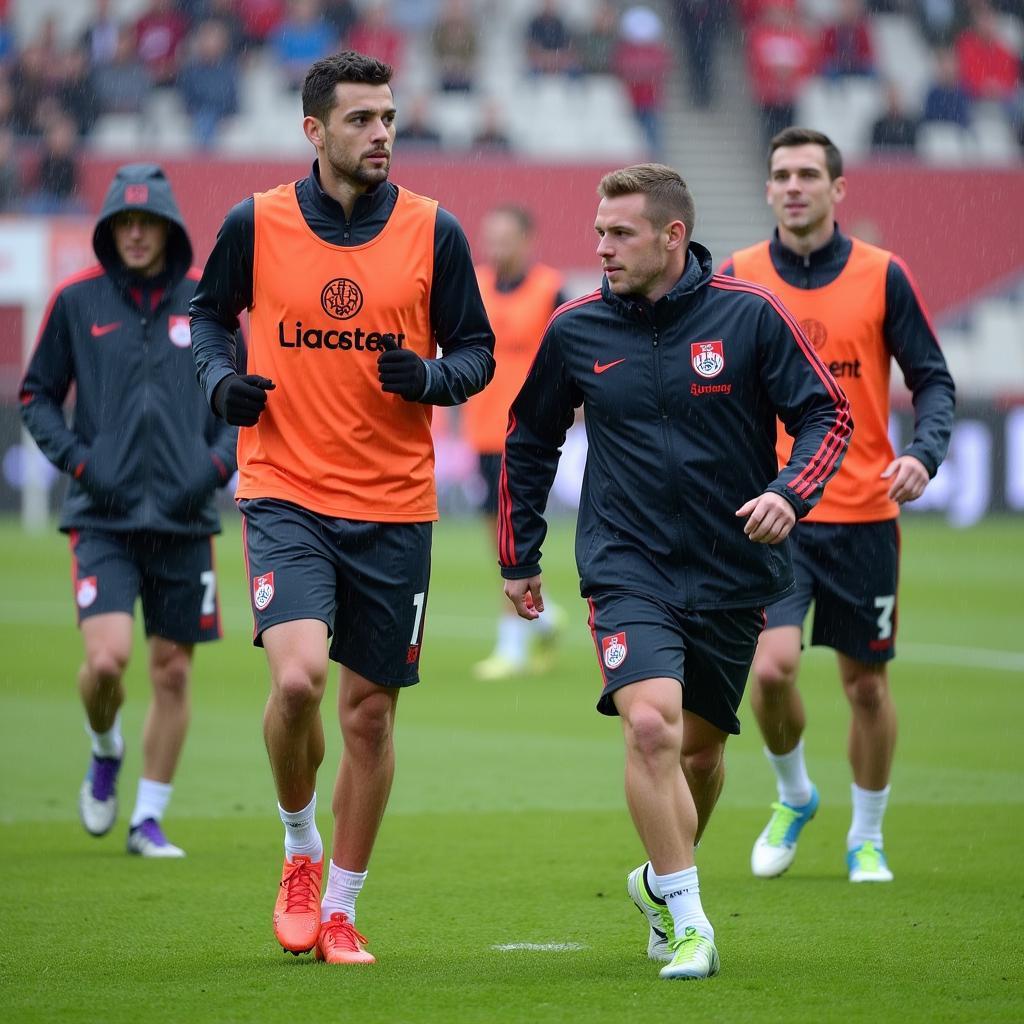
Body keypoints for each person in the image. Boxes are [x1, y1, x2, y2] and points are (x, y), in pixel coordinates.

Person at [499, 163, 851, 980]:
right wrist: (520, 556)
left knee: (697, 755)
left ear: (672, 236)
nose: (602, 248)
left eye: (620, 234)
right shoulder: (576, 329)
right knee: (650, 725)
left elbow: (826, 411)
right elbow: (529, 440)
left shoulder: (751, 315)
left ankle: (660, 883)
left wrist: (790, 493)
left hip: (734, 570)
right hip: (628, 566)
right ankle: (693, 923)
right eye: (598, 232)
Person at [190, 50, 494, 964]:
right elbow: (207, 317)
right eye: (362, 120)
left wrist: (434, 377)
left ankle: (341, 909)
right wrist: (218, 381)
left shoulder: (435, 231)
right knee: (297, 682)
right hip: (285, 489)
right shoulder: (258, 221)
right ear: (315, 131)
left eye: (390, 119)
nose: (382, 136)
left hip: (397, 505)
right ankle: (297, 850)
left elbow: (476, 351)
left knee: (368, 718)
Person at [721, 127, 955, 884]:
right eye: (781, 174)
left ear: (837, 188)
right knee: (771, 670)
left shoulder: (884, 276)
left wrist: (923, 453)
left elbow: (934, 380)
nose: (793, 186)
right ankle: (794, 795)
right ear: (767, 188)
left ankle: (867, 834)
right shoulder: (739, 277)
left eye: (808, 174)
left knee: (865, 685)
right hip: (773, 515)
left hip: (863, 516)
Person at [19, 163, 239, 858]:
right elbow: (36, 396)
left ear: (169, 228)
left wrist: (213, 467)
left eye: (148, 223)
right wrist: (83, 464)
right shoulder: (77, 302)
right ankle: (105, 744)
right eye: (124, 223)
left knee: (172, 670)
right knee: (108, 661)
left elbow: (242, 399)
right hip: (104, 518)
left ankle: (147, 818)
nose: (137, 234)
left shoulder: (207, 302)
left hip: (183, 519)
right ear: (110, 229)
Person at [462, 204, 565, 681]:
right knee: (497, 538)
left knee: (514, 538)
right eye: (491, 236)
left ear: (527, 240)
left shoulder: (550, 290)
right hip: (482, 430)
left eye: (506, 237)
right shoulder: (473, 284)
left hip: (527, 434)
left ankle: (512, 647)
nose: (496, 246)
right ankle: (545, 619)